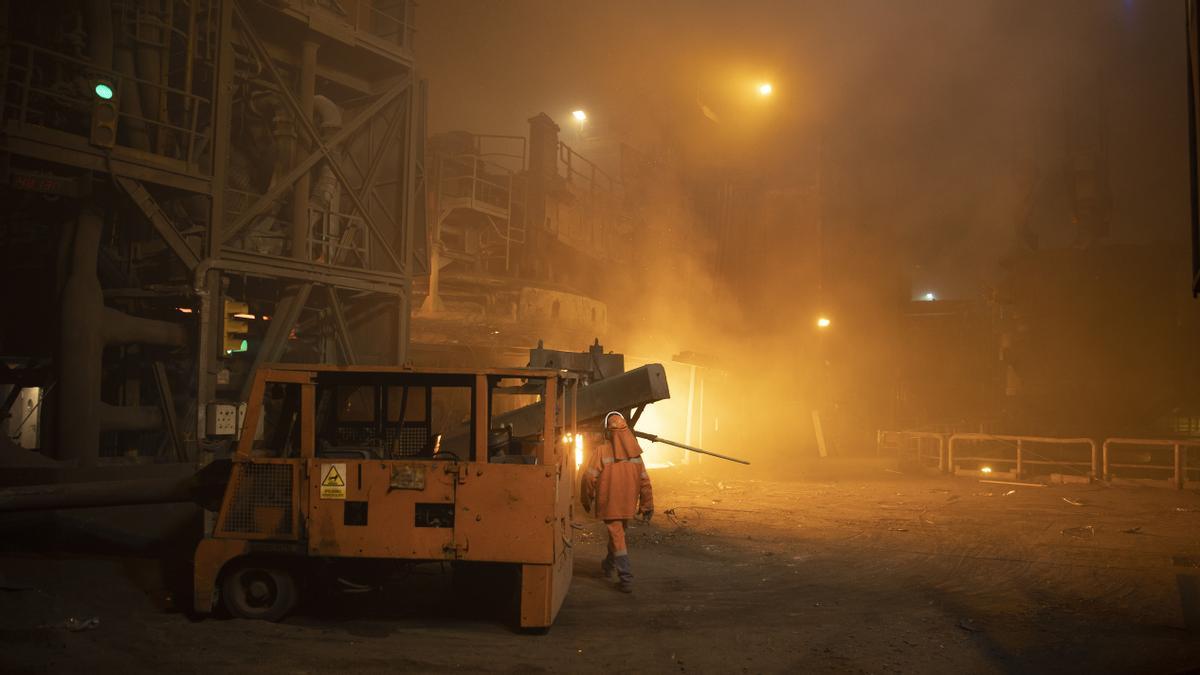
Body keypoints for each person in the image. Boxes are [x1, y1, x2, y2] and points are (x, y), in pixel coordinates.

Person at [580, 411, 654, 593]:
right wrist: (647, 505)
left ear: (607, 432)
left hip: (609, 502)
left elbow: (589, 478)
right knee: (618, 534)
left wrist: (586, 498)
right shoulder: (636, 453)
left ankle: (626, 577)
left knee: (618, 537)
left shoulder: (601, 451)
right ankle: (608, 565)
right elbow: (645, 481)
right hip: (627, 504)